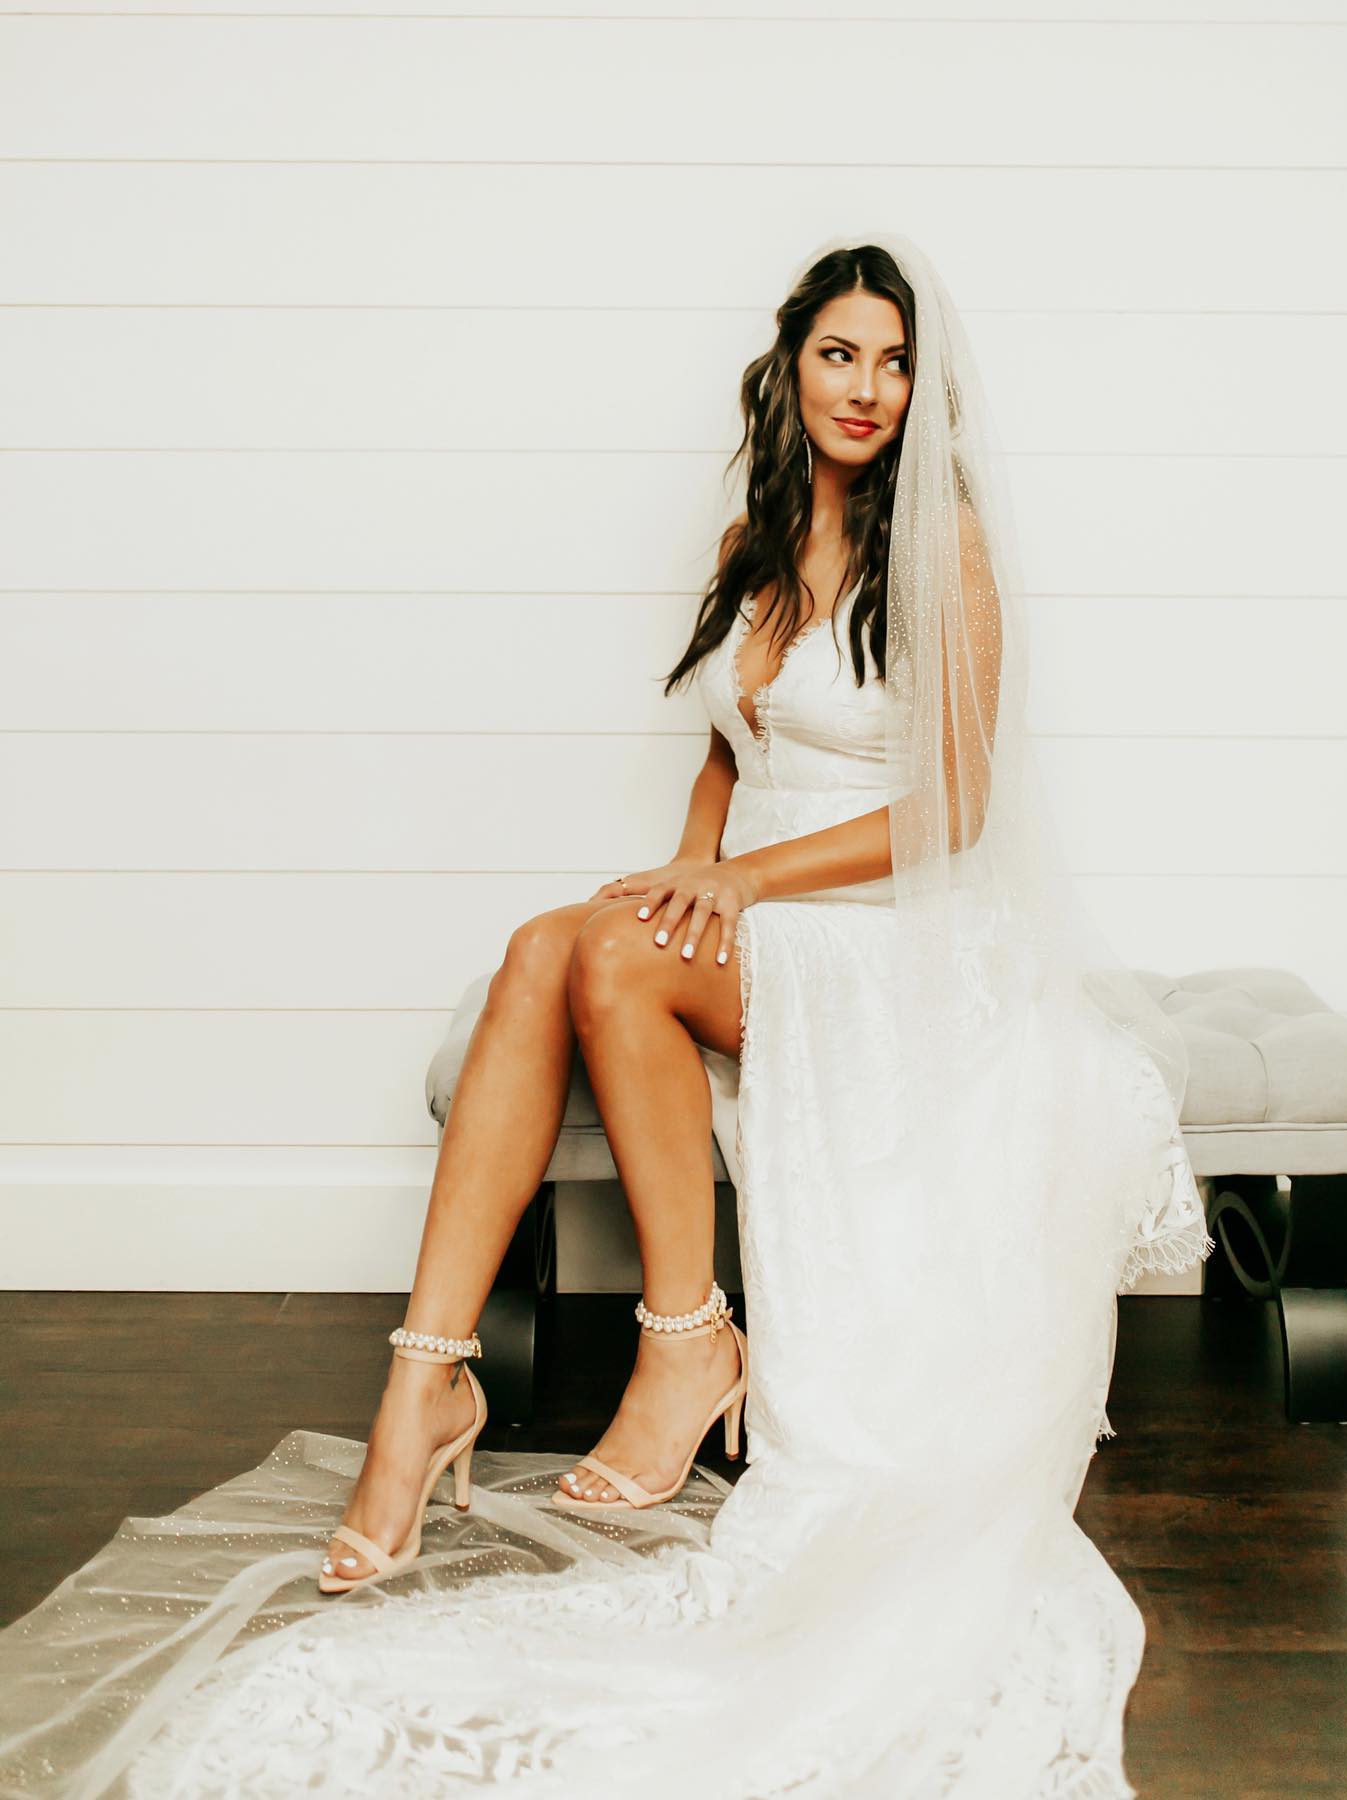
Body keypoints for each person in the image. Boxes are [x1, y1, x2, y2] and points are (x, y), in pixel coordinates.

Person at [0, 232, 1210, 1797]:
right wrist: (698, 870)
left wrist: (743, 890)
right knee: (553, 942)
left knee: (609, 951)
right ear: (793, 367)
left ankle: (680, 1345)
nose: (867, 388)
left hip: (907, 948)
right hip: (775, 926)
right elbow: (729, 742)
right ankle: (423, 1381)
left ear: (926, 390)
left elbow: (958, 804)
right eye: (840, 354)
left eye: (896, 361)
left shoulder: (945, 547)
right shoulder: (752, 540)